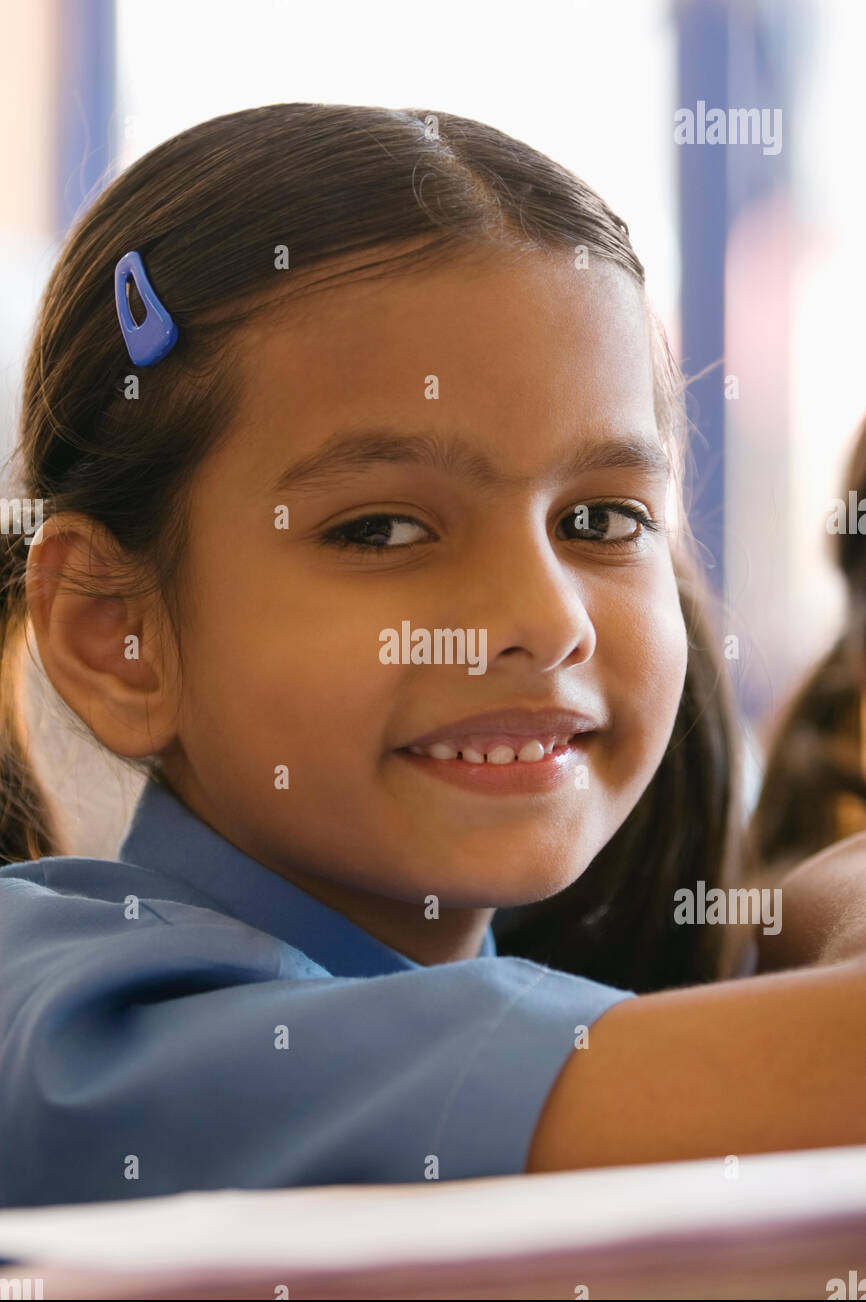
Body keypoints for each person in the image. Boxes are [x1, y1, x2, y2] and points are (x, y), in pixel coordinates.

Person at [0, 105, 862, 1210]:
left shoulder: (559, 997)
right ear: (115, 633)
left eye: (599, 520)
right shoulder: (66, 1018)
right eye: (381, 529)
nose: (543, 621)